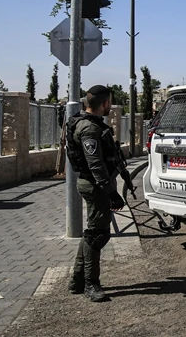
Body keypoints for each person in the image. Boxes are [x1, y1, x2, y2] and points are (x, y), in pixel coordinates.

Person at [65, 85, 125, 302]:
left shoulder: (91, 124)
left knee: (92, 233)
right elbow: (96, 165)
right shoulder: (89, 128)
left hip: (95, 184)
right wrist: (111, 193)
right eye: (110, 102)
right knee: (98, 234)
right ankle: (91, 283)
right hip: (95, 186)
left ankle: (77, 279)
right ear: (105, 103)